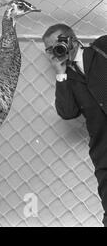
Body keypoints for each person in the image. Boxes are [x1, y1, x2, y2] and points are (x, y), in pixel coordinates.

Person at [42, 23, 107, 226]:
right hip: (104, 154)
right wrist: (59, 72)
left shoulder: (102, 48)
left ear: (72, 39)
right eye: (50, 48)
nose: (56, 50)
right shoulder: (67, 78)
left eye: (59, 43)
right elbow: (67, 112)